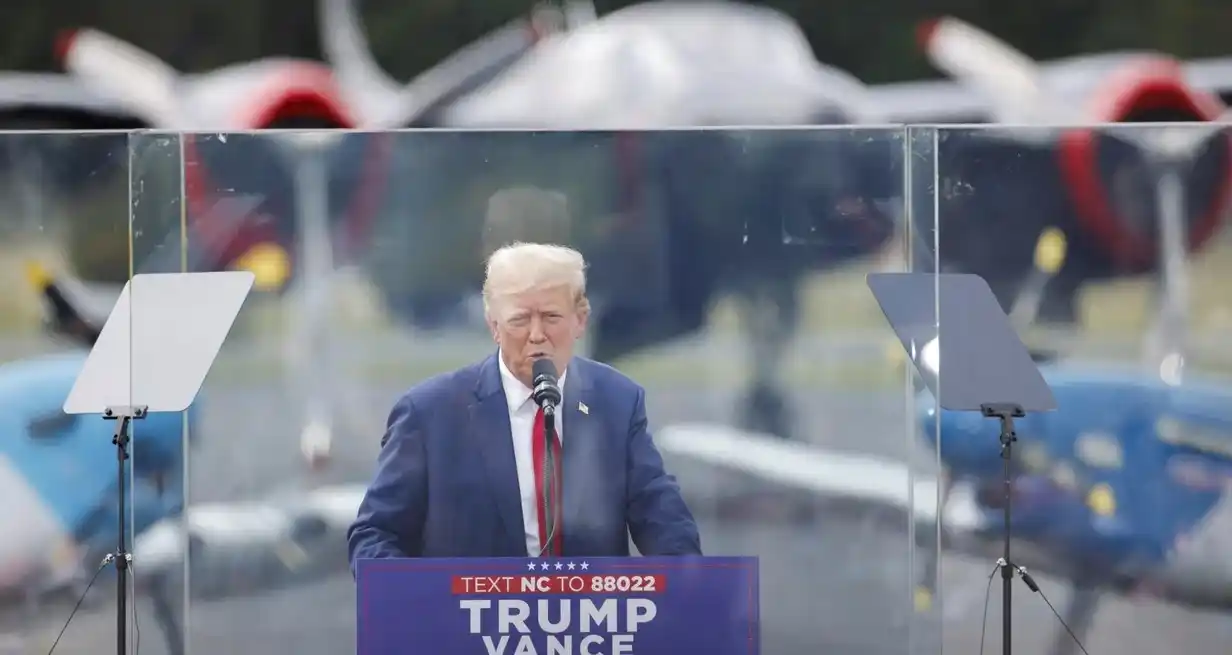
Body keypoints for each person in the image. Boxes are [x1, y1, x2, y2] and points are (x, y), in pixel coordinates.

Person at [347, 241, 702, 566]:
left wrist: (686, 585)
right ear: (494, 326)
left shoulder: (617, 402)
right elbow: (375, 535)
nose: (536, 335)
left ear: (580, 320)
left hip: (589, 629)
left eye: (551, 317)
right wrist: (416, 601)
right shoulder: (429, 415)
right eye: (519, 320)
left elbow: (662, 517)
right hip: (467, 631)